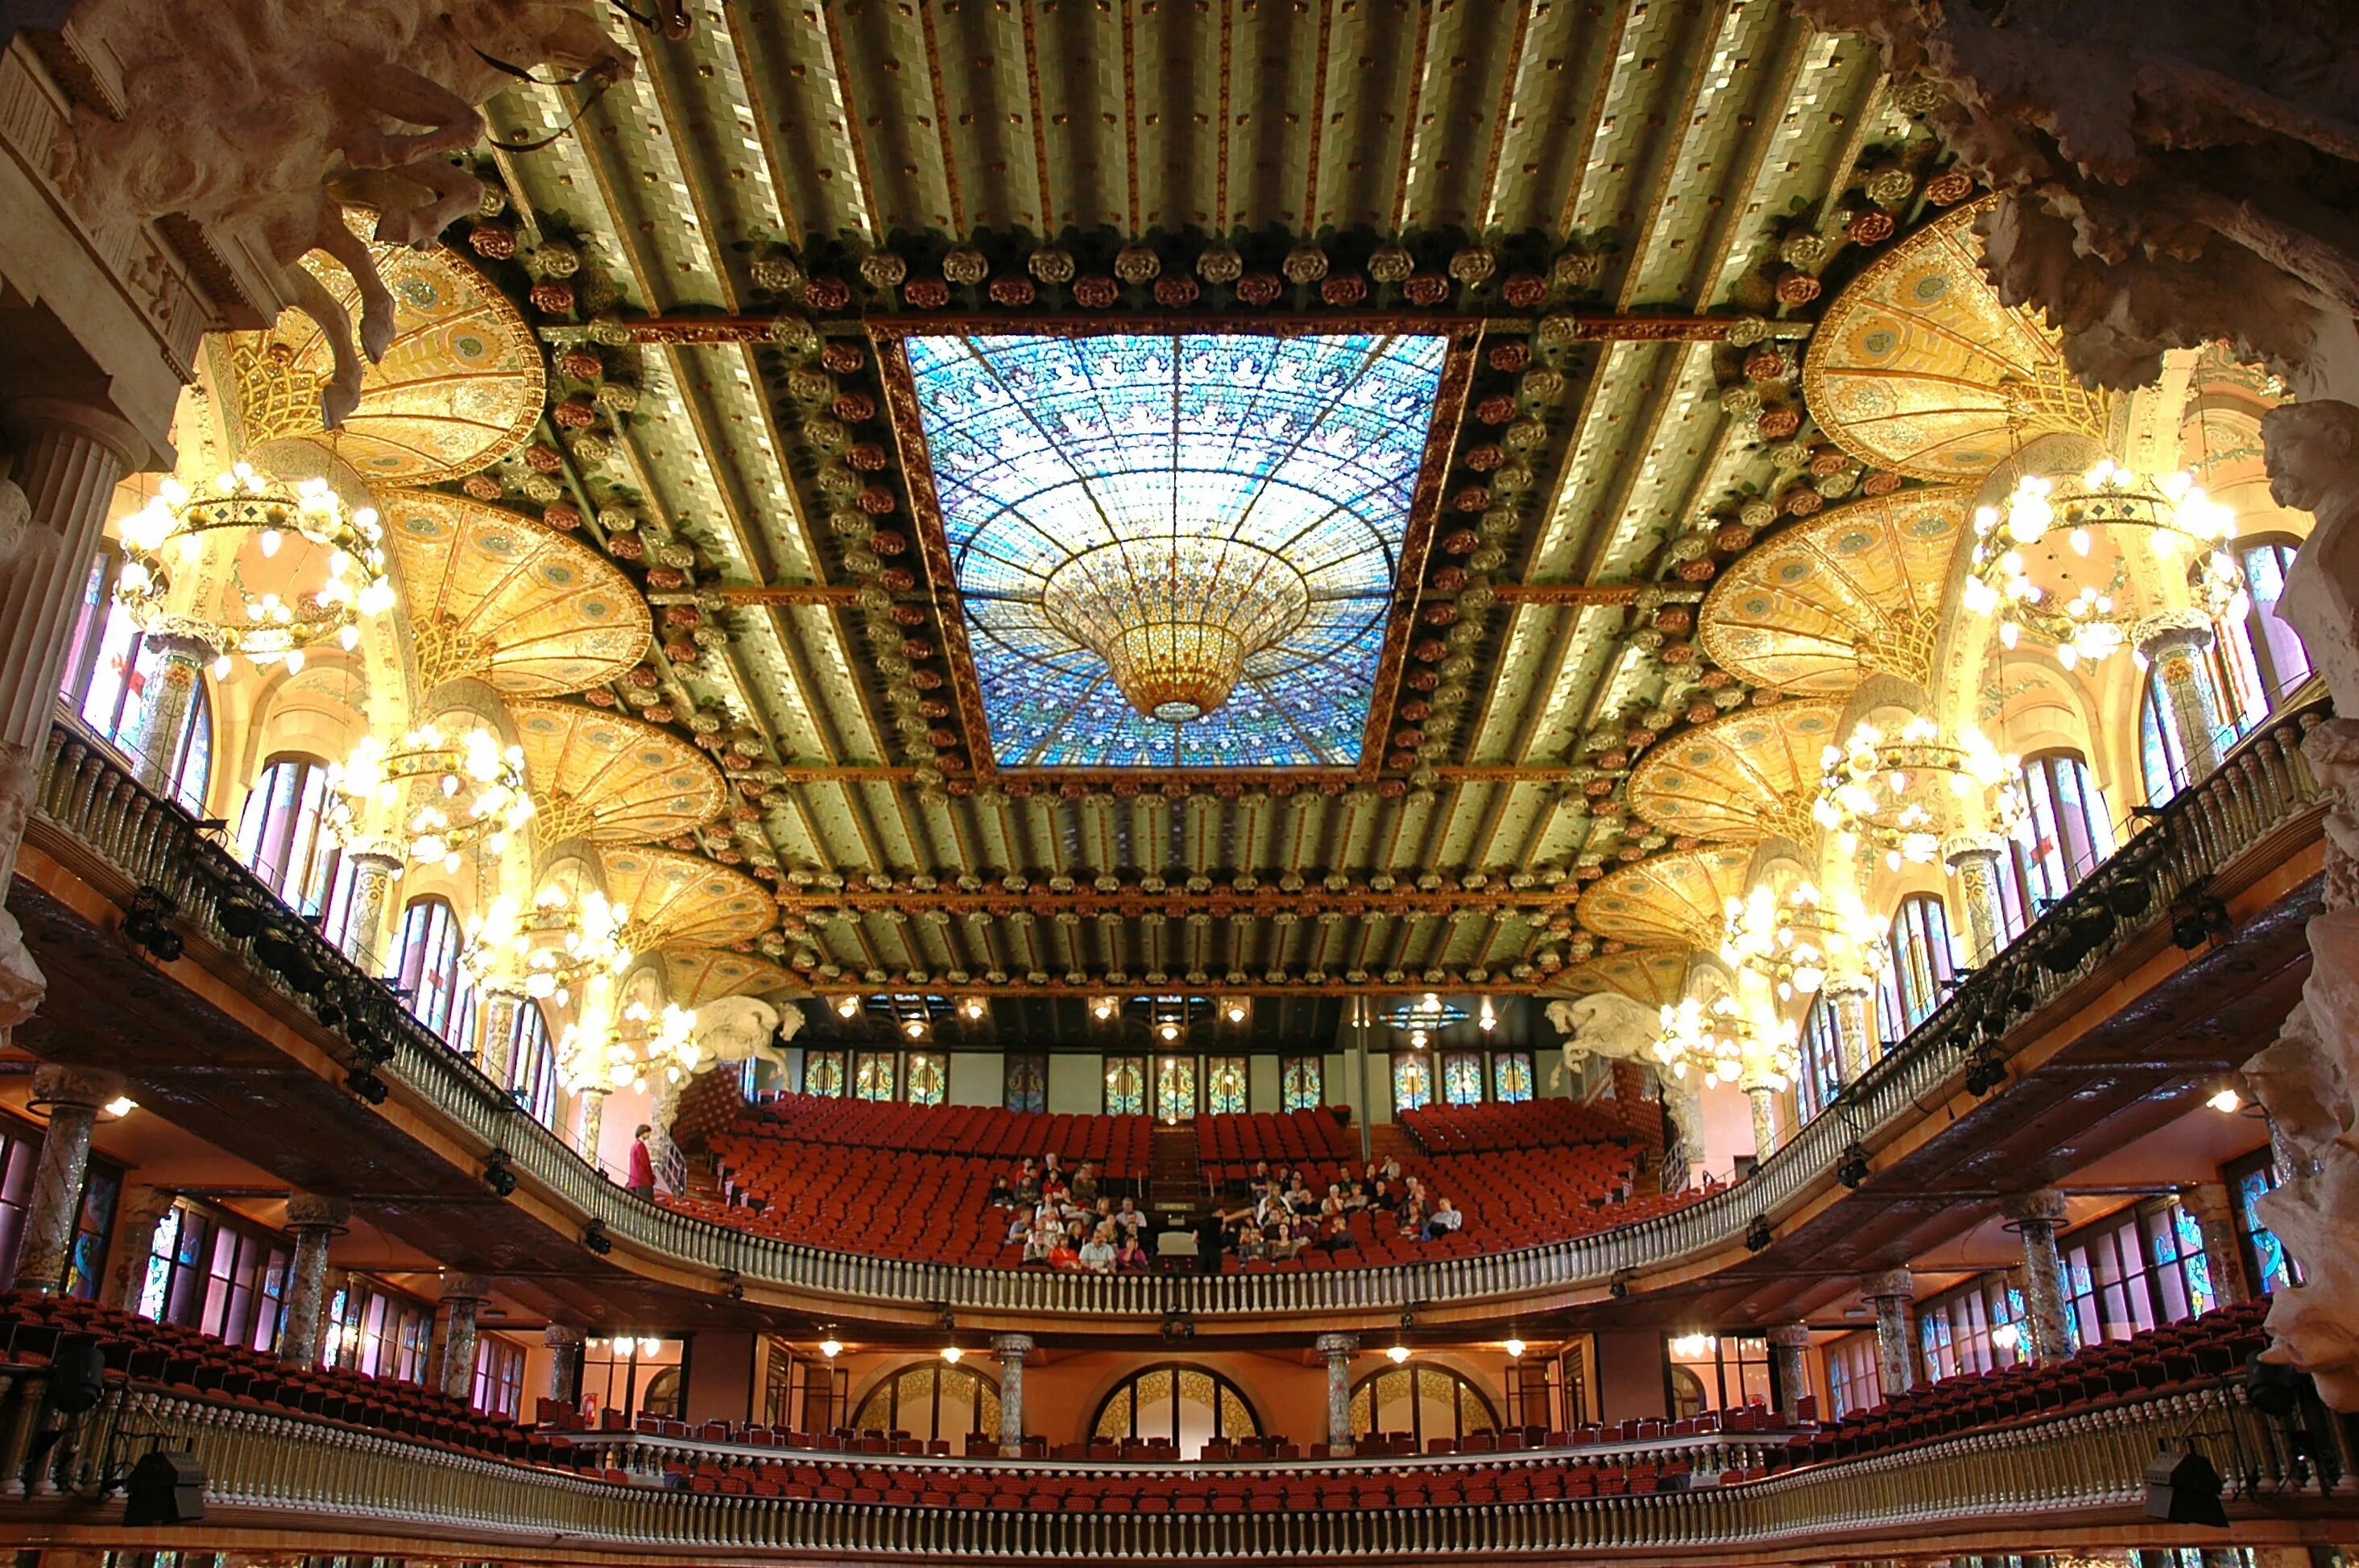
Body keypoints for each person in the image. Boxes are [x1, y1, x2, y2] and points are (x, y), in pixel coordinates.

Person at [627, 1124, 656, 1199]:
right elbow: (645, 1164)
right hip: (643, 1180)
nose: (649, 1134)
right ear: (642, 1132)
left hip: (635, 1180)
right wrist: (652, 1177)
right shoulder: (640, 1145)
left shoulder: (634, 1145)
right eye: (648, 1132)